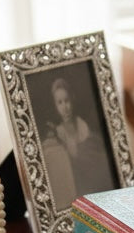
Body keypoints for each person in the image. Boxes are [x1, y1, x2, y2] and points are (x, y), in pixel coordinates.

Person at [43, 76, 114, 209]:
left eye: (67, 101)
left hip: (91, 180)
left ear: (72, 99)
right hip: (75, 183)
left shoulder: (82, 125)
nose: (65, 107)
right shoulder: (59, 132)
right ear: (55, 106)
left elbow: (93, 153)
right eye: (60, 103)